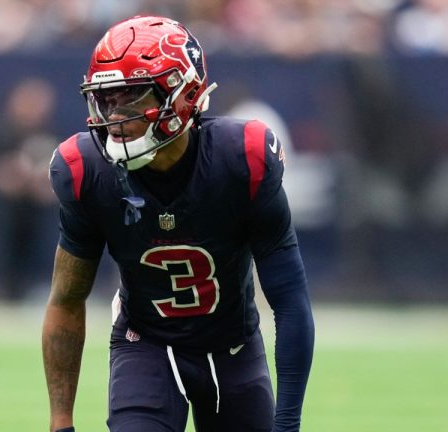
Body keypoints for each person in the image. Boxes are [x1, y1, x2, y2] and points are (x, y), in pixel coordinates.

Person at [42, 15, 314, 432]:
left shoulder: (242, 160)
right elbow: (65, 299)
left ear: (183, 95)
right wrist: (61, 423)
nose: (114, 116)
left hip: (234, 348)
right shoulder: (87, 170)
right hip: (145, 344)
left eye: (130, 96)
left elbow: (290, 297)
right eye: (107, 99)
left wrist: (288, 423)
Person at [0, 77, 59, 302]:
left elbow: (53, 183)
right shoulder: (4, 133)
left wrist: (41, 180)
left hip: (37, 210)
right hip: (10, 209)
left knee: (41, 249)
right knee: (9, 251)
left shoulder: (47, 133)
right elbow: (2, 178)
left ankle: (34, 289)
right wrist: (25, 173)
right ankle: (6, 293)